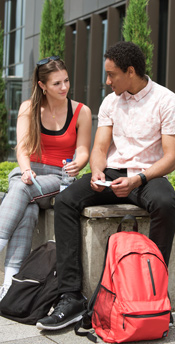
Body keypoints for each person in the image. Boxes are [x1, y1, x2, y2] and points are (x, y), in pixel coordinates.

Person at [36, 41, 175, 331]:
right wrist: (97, 171)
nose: (107, 81)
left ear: (130, 72)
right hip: (113, 172)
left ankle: (152, 289)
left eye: (112, 74)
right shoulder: (110, 102)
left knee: (166, 203)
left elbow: (171, 158)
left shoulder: (167, 101)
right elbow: (100, 147)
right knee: (66, 201)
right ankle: (70, 296)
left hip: (148, 175)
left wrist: (138, 179)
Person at [0, 56, 92, 302]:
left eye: (66, 81)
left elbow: (83, 149)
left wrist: (79, 163)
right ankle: (9, 283)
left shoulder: (81, 111)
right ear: (42, 86)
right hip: (27, 171)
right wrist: (27, 169)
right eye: (56, 83)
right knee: (27, 209)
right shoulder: (28, 108)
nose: (64, 87)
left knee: (19, 191)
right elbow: (21, 148)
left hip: (57, 176)